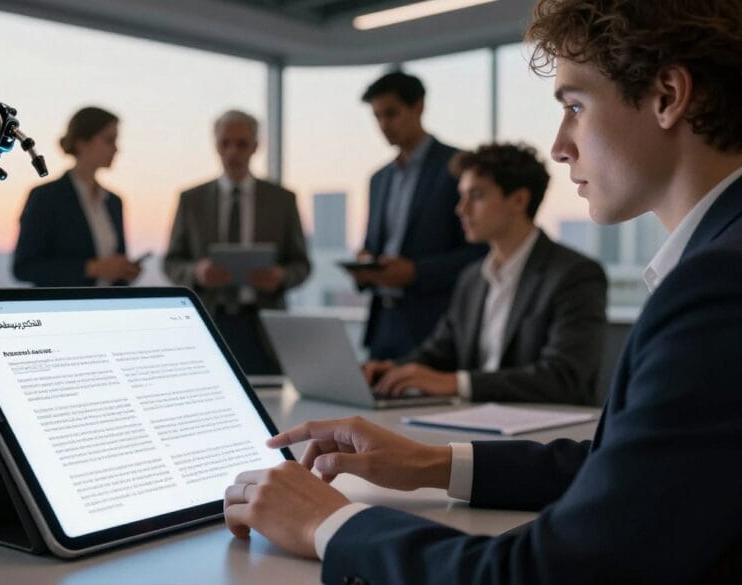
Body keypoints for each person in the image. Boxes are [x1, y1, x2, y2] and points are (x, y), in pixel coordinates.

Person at [223, 0, 742, 581]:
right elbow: (627, 471)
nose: (560, 145)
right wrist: (431, 462)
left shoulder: (716, 286)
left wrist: (329, 525)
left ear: (668, 96)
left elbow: (544, 574)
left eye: (575, 105)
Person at [364, 143, 607, 405]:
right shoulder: (472, 278)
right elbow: (440, 352)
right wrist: (392, 370)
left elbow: (564, 378)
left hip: (550, 434)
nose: (461, 209)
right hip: (476, 424)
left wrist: (458, 383)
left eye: (477, 196)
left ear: (518, 200)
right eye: (462, 196)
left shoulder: (574, 275)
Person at [348, 71, 487, 361]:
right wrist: (364, 266)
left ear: (419, 107)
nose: (384, 125)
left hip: (435, 325)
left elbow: (479, 252)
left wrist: (415, 273)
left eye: (391, 113)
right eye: (377, 117)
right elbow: (374, 245)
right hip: (382, 324)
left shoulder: (458, 167)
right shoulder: (378, 179)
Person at [164, 110, 310, 375]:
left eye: (241, 144)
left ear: (255, 146)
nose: (233, 152)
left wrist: (281, 276)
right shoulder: (191, 200)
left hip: (263, 327)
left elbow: (301, 264)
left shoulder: (282, 200)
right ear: (215, 145)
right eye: (225, 143)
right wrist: (197, 272)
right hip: (208, 321)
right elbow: (171, 262)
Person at [12, 106, 141, 287]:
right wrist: (92, 268)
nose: (116, 149)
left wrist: (124, 271)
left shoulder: (114, 201)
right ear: (82, 142)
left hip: (107, 308)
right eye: (109, 140)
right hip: (62, 310)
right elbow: (24, 267)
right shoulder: (45, 197)